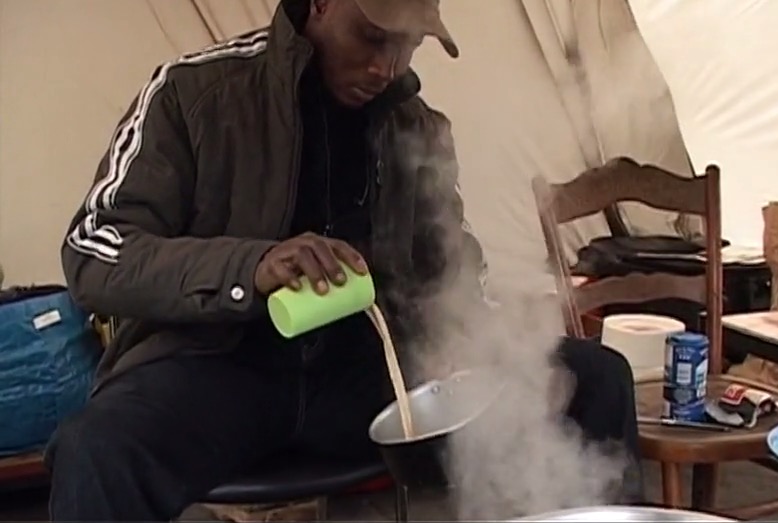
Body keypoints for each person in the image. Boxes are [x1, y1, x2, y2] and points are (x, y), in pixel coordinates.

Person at [46, 0, 643, 520]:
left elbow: (454, 274)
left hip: (367, 378)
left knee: (592, 377)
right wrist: (251, 266)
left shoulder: (415, 126)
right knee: (96, 450)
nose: (387, 67)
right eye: (373, 38)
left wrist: (485, 343)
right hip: (218, 369)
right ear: (320, 4)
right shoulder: (195, 95)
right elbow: (94, 251)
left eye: (408, 45)